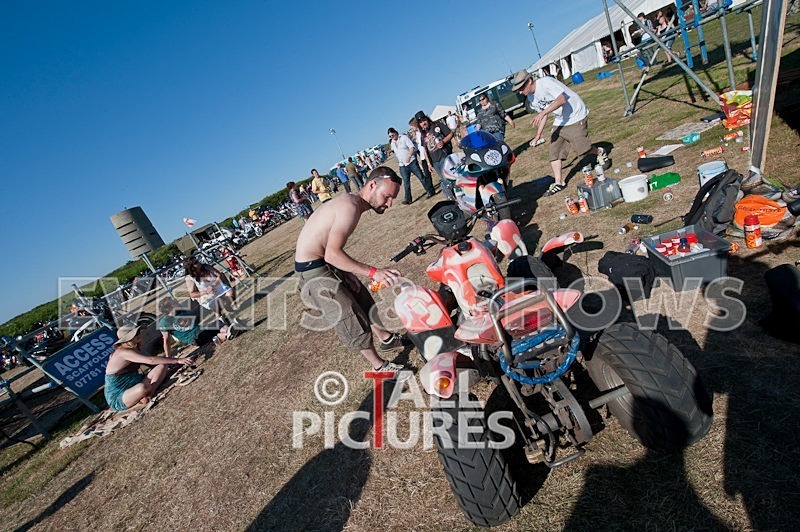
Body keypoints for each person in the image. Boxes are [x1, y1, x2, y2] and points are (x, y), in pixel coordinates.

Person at [294, 166, 407, 374]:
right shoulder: (350, 207)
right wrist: (374, 272)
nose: (389, 204)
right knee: (349, 316)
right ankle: (379, 367)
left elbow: (329, 247)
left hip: (324, 262)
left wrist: (346, 273)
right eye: (387, 196)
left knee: (362, 299)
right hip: (313, 270)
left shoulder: (352, 202)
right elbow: (332, 254)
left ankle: (386, 338)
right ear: (372, 185)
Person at [512, 69, 597, 196]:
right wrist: (537, 136)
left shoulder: (546, 83)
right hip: (560, 120)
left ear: (529, 81)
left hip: (575, 114)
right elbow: (543, 116)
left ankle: (599, 152)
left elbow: (562, 99)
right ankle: (559, 182)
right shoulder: (531, 97)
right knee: (554, 150)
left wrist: (543, 112)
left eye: (521, 87)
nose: (520, 91)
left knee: (583, 150)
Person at [104, 324, 193, 411]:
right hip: (120, 395)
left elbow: (153, 362)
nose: (139, 334)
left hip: (136, 381)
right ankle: (146, 392)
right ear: (129, 338)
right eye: (136, 333)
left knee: (162, 365)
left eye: (138, 332)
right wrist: (177, 360)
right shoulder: (123, 352)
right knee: (142, 387)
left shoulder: (132, 349)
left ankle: (149, 394)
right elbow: (150, 360)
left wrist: (170, 363)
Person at [158, 298, 230, 358]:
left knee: (218, 323)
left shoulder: (181, 310)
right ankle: (224, 335)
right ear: (169, 307)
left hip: (201, 330)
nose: (176, 301)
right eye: (173, 301)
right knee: (214, 331)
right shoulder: (164, 322)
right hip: (194, 338)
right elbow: (166, 340)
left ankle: (224, 334)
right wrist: (168, 357)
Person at [183, 256, 239, 325]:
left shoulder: (206, 267)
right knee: (216, 306)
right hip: (206, 296)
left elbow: (219, 275)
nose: (199, 262)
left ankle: (227, 307)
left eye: (197, 260)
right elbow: (192, 294)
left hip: (219, 288)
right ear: (191, 267)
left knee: (231, 293)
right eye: (196, 262)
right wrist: (206, 292)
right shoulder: (189, 278)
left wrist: (213, 286)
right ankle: (221, 321)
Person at [415, 111, 456, 200]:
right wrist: (429, 164)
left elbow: (451, 133)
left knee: (448, 179)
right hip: (435, 162)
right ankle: (453, 197)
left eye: (424, 120)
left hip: (444, 156)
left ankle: (452, 196)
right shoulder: (423, 134)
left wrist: (443, 141)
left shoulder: (438, 125)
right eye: (421, 122)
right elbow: (425, 150)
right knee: (446, 180)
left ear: (427, 119)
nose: (423, 123)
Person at [388, 127, 434, 204]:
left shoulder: (404, 138)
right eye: (390, 136)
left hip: (412, 162)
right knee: (406, 183)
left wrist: (409, 156)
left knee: (421, 177)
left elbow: (412, 147)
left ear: (395, 132)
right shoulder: (392, 142)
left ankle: (430, 191)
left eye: (392, 135)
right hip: (402, 165)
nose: (391, 137)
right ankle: (408, 199)